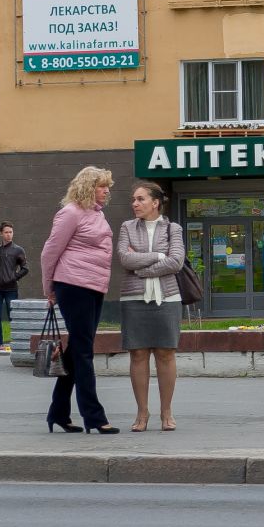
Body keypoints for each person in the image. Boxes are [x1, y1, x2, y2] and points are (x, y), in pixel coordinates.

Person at [42, 166, 120, 434]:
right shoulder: (70, 213)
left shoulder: (97, 214)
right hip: (73, 285)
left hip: (93, 286)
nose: (106, 190)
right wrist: (48, 289)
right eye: (101, 186)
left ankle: (58, 412)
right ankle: (94, 417)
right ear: (88, 187)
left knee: (76, 350)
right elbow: (49, 253)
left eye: (107, 186)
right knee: (84, 351)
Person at [117, 181, 187, 433]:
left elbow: (177, 261)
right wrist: (159, 256)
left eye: (140, 199)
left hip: (167, 298)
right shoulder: (126, 227)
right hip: (133, 299)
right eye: (133, 199)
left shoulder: (173, 229)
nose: (134, 203)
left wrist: (142, 267)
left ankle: (166, 412)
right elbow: (124, 258)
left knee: (166, 354)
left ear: (155, 202)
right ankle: (142, 412)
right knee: (137, 354)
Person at [0, 221, 27, 353]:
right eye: (6, 232)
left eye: (11, 232)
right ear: (1, 234)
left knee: (12, 316)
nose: (9, 235)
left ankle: (17, 342)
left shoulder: (18, 250)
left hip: (11, 289)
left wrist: (13, 277)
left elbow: (25, 268)